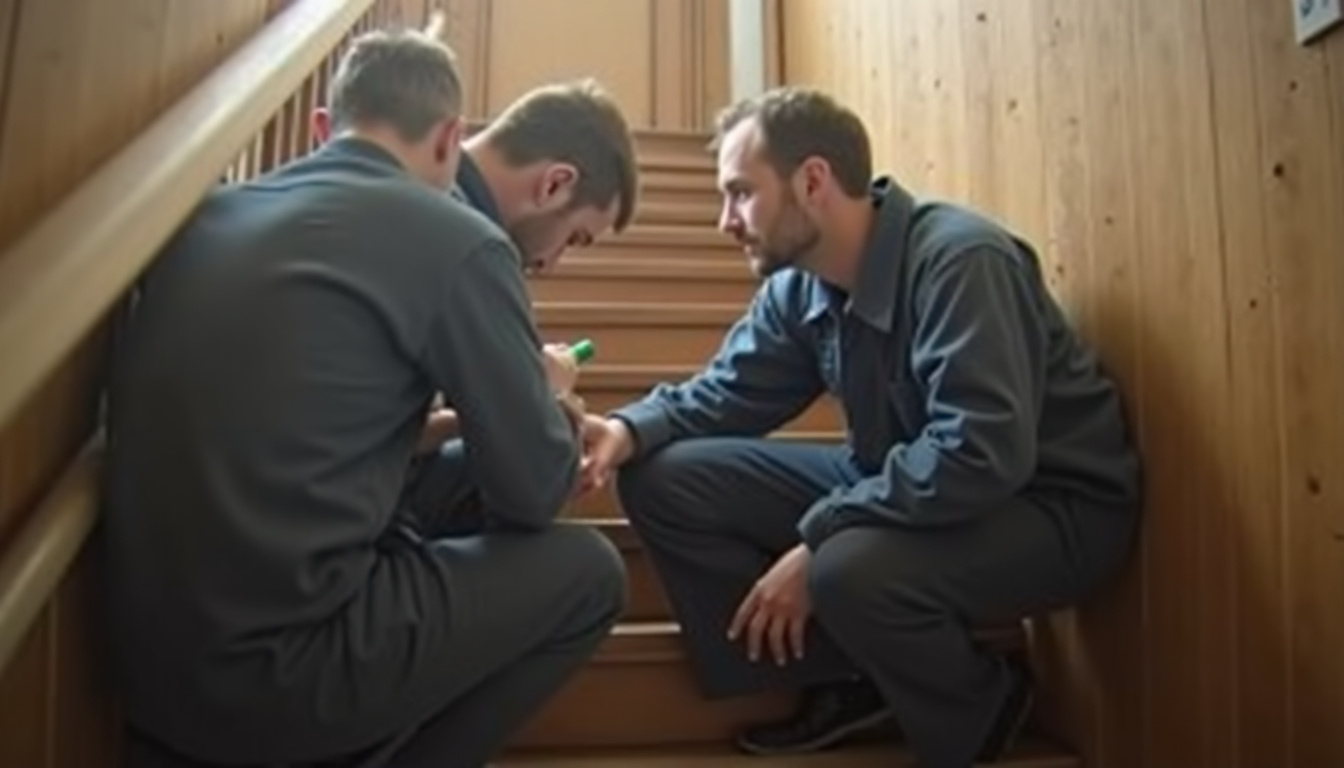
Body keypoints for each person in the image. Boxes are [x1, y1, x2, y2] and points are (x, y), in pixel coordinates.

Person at [101, 21, 635, 768]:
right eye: (574, 241)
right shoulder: (459, 239)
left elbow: (297, 422)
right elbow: (532, 495)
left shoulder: (208, 215)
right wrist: (545, 400)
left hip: (136, 670)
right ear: (449, 138)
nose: (555, 261)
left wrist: (458, 423)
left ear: (326, 127)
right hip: (277, 678)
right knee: (591, 575)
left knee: (449, 475)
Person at [579, 87, 1142, 768]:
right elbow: (727, 392)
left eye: (740, 193)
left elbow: (979, 453)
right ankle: (851, 680)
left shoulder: (962, 261)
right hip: (905, 480)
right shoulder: (799, 287)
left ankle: (979, 712)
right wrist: (626, 430)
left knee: (845, 566)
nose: (725, 220)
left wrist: (822, 537)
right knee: (666, 476)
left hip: (1050, 507)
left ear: (812, 181)